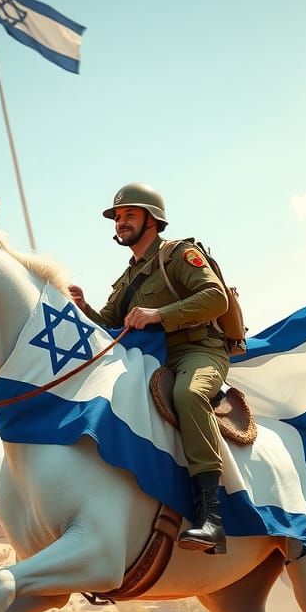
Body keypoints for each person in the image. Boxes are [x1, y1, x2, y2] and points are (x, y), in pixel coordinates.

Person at [69, 182, 230, 554]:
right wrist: (81, 305)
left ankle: (212, 519)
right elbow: (109, 327)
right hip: (149, 359)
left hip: (196, 352)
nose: (120, 222)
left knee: (187, 395)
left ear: (152, 220)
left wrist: (158, 314)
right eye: (118, 217)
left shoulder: (179, 255)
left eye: (129, 215)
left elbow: (215, 298)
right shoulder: (126, 278)